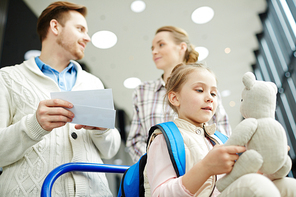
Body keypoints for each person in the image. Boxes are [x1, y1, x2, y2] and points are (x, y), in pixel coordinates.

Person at [0, 1, 121, 196]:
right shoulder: (7, 78)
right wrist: (34, 125)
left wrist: (103, 130)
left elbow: (110, 150)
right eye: (80, 29)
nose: (87, 38)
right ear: (55, 27)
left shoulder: (93, 82)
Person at [145, 63, 296, 197]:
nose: (210, 98)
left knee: (289, 186)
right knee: (255, 185)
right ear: (175, 98)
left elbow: (236, 183)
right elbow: (159, 194)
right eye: (199, 90)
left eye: (213, 93)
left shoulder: (221, 140)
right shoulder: (164, 139)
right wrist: (206, 167)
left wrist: (270, 164)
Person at [127, 26, 231, 163]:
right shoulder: (143, 91)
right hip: (157, 175)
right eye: (152, 48)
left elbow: (223, 135)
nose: (154, 51)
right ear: (173, 97)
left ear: (182, 47)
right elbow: (135, 141)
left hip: (203, 172)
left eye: (161, 45)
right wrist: (157, 164)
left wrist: (200, 167)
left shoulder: (209, 91)